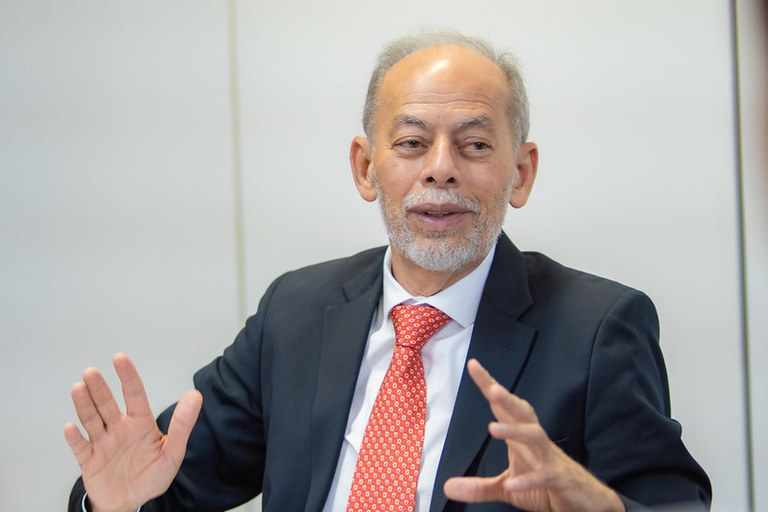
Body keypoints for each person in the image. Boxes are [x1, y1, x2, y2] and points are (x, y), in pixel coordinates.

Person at [64, 30, 711, 512]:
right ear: (365, 167)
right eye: (410, 143)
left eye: (474, 144)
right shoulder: (295, 313)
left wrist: (597, 506)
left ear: (520, 173)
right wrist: (111, 503)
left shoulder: (598, 330)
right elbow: (162, 486)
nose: (440, 169)